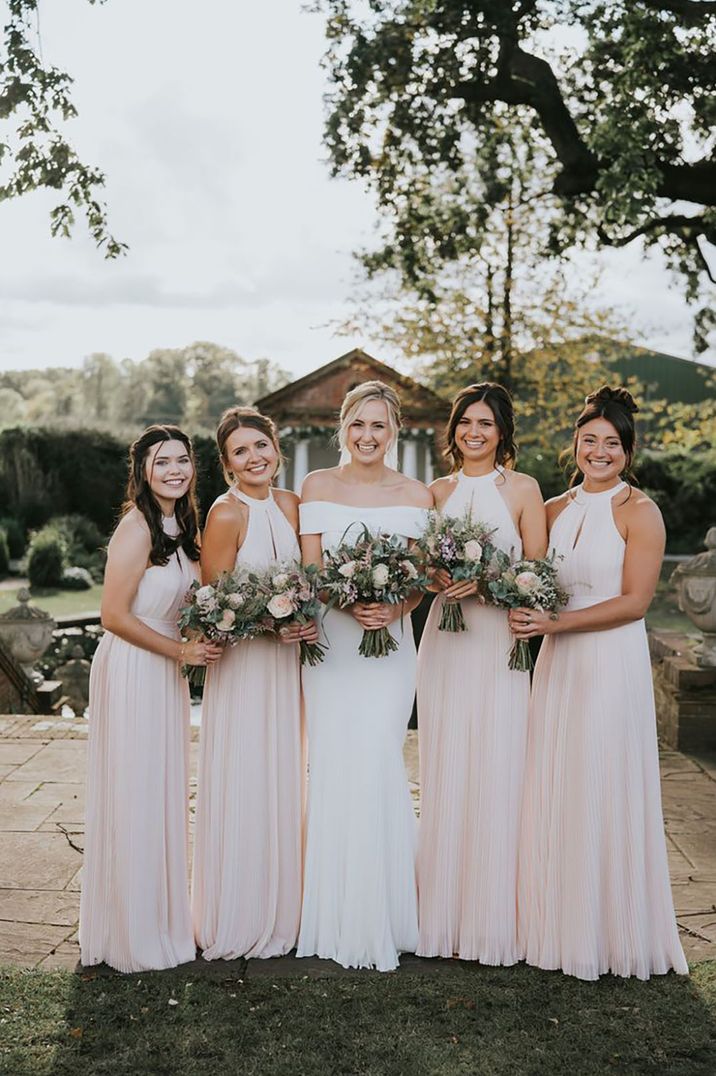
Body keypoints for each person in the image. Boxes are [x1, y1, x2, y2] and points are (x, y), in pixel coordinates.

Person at [513, 386, 688, 980]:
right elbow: (531, 577)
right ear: (576, 445)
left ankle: (611, 931)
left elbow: (636, 602)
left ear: (628, 451)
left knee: (602, 781)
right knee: (557, 780)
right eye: (590, 440)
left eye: (611, 443)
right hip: (558, 664)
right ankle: (556, 924)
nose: (599, 451)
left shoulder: (639, 511)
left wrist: (554, 622)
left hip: (610, 662)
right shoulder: (556, 509)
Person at [296, 381, 432, 971]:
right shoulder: (315, 486)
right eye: (358, 424)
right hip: (332, 645)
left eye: (379, 426)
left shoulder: (417, 493)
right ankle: (332, 917)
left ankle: (385, 915)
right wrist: (346, 600)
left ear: (394, 431)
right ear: (342, 426)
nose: (368, 436)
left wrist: (394, 608)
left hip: (389, 650)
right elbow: (310, 569)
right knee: (334, 763)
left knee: (377, 759)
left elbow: (423, 576)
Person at [80, 425, 220, 973]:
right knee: (135, 789)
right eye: (162, 462)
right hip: (135, 667)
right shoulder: (136, 527)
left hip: (165, 671)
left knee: (160, 790)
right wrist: (179, 652)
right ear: (142, 470)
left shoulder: (184, 526)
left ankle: (161, 920)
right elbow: (112, 616)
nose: (174, 471)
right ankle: (132, 933)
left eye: (182, 460)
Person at [416, 383, 547, 963]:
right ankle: (440, 913)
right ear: (454, 430)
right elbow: (418, 571)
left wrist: (494, 584)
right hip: (445, 641)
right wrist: (438, 580)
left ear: (502, 433)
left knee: (500, 763)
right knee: (447, 763)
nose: (474, 432)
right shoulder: (435, 492)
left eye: (486, 424)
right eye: (466, 422)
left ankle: (495, 916)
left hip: (499, 643)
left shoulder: (522, 489)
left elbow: (539, 575)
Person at [192, 407, 315, 960]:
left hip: (287, 669)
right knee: (246, 774)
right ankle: (240, 909)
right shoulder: (225, 515)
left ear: (276, 447)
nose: (254, 457)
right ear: (226, 464)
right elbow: (214, 607)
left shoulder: (291, 505)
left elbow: (311, 579)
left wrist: (304, 618)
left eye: (260, 445)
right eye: (240, 451)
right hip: (245, 672)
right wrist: (272, 623)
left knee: (285, 774)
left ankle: (286, 903)